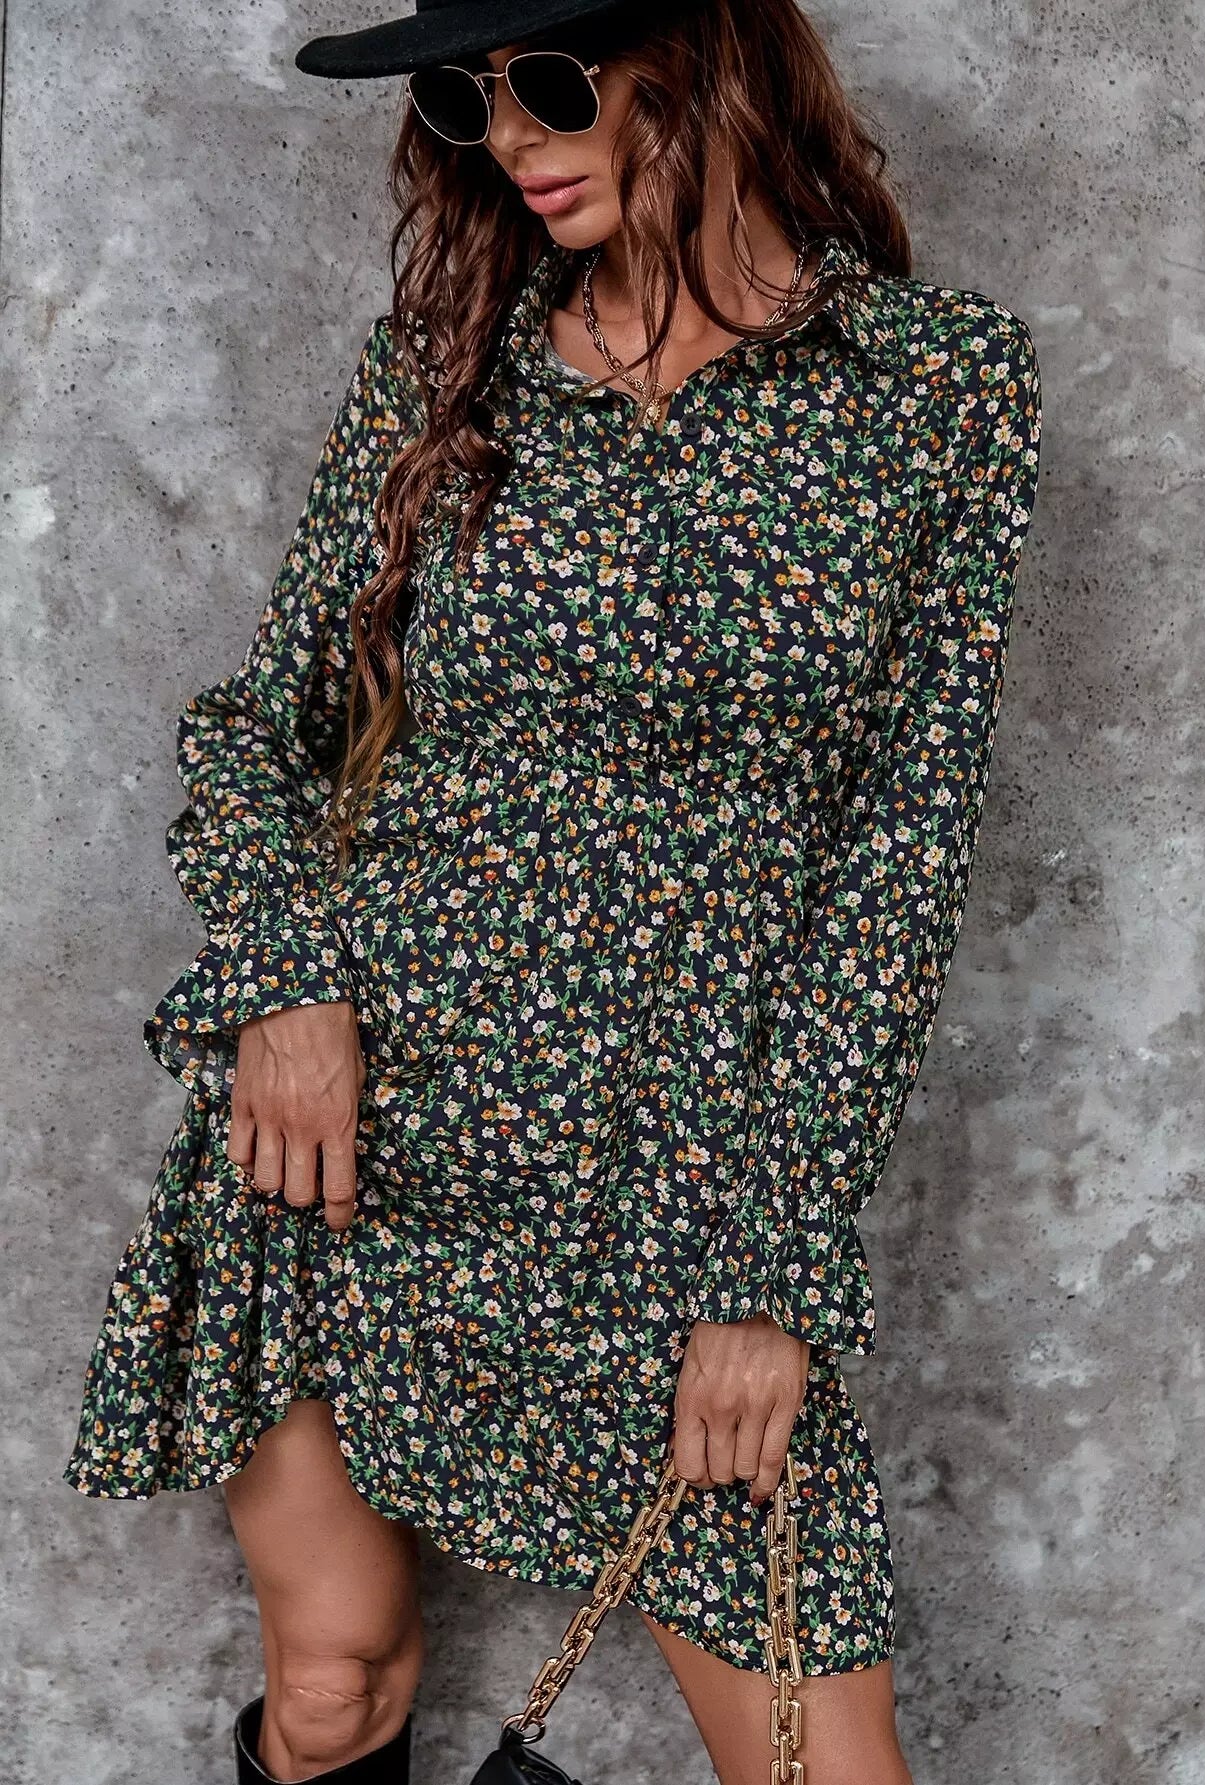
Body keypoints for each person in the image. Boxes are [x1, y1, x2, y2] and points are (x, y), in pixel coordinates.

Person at [62, 0, 1043, 1779]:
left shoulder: (936, 390)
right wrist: (290, 980)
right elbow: (253, 727)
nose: (509, 135)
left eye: (550, 82)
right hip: (363, 1138)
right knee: (333, 1682)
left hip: (675, 1193)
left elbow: (902, 858)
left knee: (821, 1764)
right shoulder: (447, 371)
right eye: (469, 96)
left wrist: (775, 1265)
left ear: (708, 55)